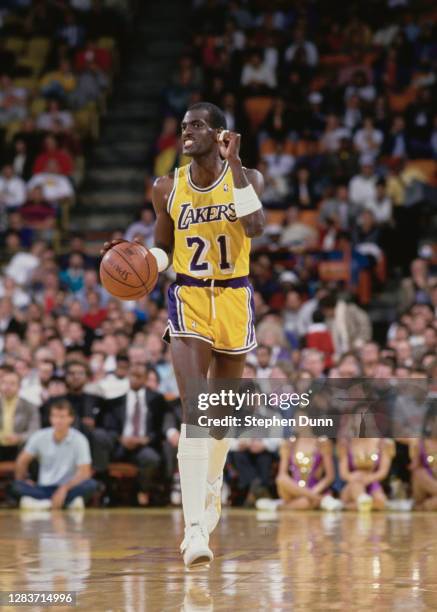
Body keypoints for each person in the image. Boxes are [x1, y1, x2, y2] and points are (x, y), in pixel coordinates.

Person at [102, 101, 265, 567]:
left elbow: (254, 226)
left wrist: (233, 164)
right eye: (183, 126)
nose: (186, 132)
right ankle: (194, 530)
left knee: (221, 420)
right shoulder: (166, 187)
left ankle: (212, 483)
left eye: (197, 125)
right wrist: (135, 258)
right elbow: (166, 251)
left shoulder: (248, 178)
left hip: (234, 297)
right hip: (189, 297)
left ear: (219, 134)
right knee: (195, 410)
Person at [10, 399, 98, 510]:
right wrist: (23, 479)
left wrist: (64, 489)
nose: (58, 421)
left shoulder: (80, 439)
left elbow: (85, 473)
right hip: (43, 487)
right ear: (50, 418)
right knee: (16, 486)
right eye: (55, 416)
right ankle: (67, 504)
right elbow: (22, 460)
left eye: (62, 417)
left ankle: (42, 504)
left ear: (71, 418)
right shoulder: (39, 436)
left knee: (91, 484)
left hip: (69, 487)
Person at [337, 438, 394, 510]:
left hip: (372, 482)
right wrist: (354, 477)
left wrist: (368, 478)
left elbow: (383, 472)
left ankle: (348, 506)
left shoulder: (383, 443)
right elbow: (343, 474)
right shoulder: (345, 443)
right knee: (357, 486)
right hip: (353, 483)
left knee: (380, 502)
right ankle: (362, 502)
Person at [0, 369, 40, 461]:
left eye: (12, 383)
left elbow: (35, 431)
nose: (7, 387)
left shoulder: (30, 406)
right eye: (4, 383)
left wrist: (19, 438)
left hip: (20, 448)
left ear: (19, 386)